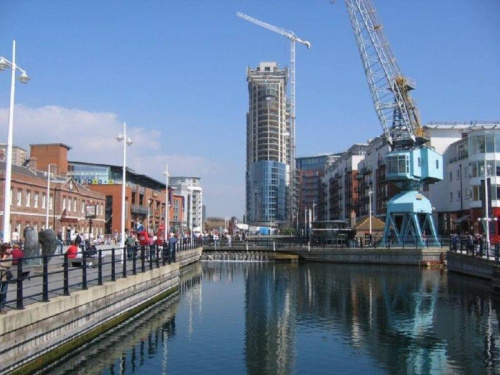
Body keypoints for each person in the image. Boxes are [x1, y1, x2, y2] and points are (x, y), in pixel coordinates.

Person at [0, 243, 13, 314]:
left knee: (4, 292)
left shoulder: (10, 256)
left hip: (5, 276)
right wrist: (3, 262)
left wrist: (1, 263)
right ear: (4, 249)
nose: (10, 249)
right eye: (8, 248)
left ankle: (2, 307)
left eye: (10, 248)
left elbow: (8, 265)